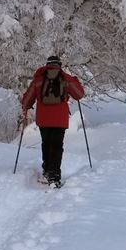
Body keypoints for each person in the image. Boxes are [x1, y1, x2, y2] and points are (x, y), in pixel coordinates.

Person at [22, 56, 85, 187]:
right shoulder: (66, 78)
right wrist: (75, 82)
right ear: (59, 65)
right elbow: (79, 95)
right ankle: (54, 176)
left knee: (46, 143)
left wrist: (26, 106)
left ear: (47, 65)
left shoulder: (38, 80)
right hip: (60, 119)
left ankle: (46, 171)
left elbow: (27, 100)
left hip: (43, 119)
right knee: (56, 145)